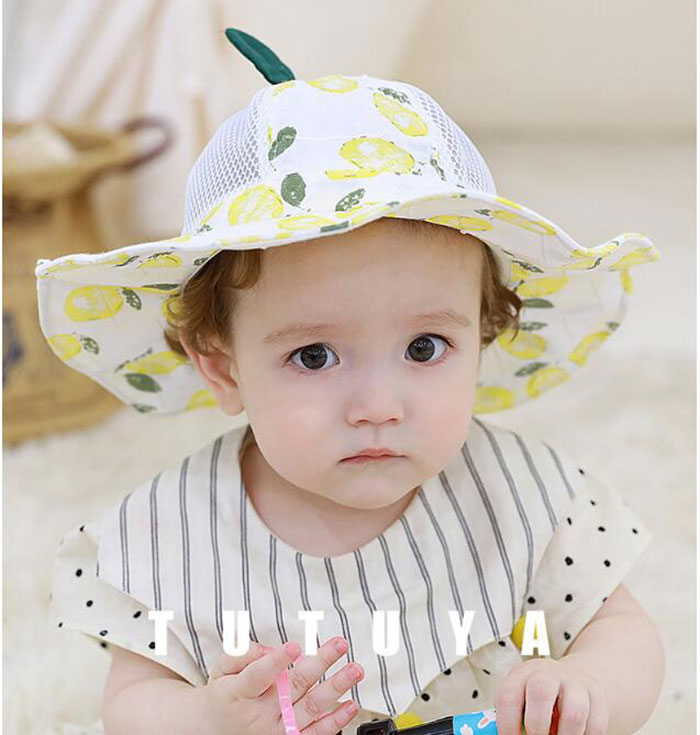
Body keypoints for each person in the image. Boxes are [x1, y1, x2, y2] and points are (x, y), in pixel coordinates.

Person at [38, 28, 664, 735]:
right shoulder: (172, 535)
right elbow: (130, 707)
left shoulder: (524, 502)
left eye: (424, 347)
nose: (377, 406)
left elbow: (624, 633)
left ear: (483, 333)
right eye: (313, 356)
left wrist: (588, 686)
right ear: (221, 364)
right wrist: (210, 720)